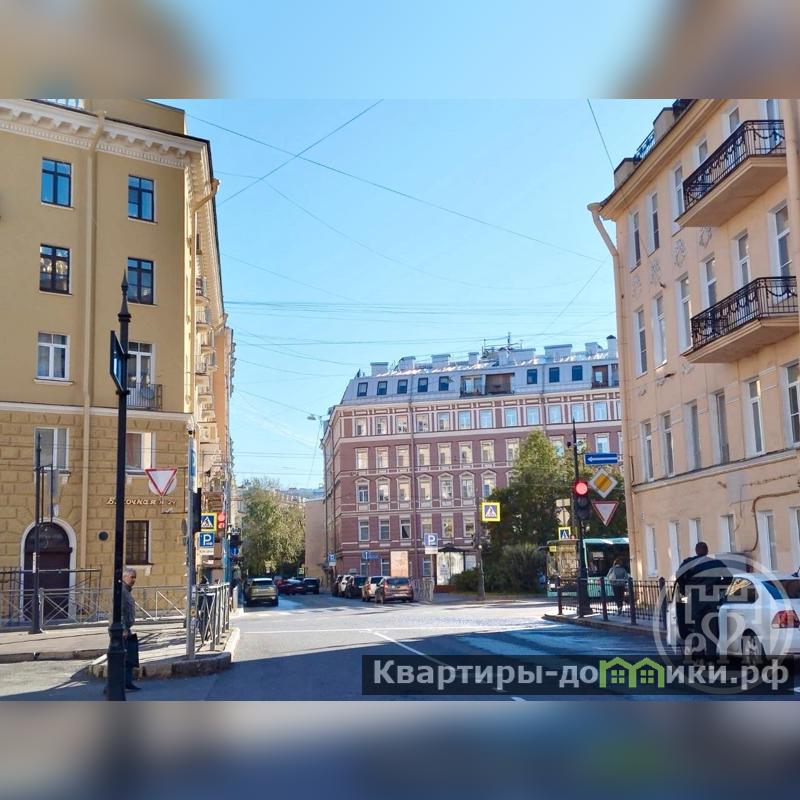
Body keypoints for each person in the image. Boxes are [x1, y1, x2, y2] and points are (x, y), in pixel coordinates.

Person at [675, 541, 731, 660]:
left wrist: (685, 587)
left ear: (696, 551)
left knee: (697, 629)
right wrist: (718, 586)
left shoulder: (689, 563)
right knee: (711, 630)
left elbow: (678, 575)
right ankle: (711, 658)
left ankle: (699, 658)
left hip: (696, 600)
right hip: (711, 599)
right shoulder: (715, 563)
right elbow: (729, 577)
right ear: (707, 551)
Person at [121, 567, 140, 692]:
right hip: (121, 630)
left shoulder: (127, 591)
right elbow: (118, 611)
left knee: (129, 658)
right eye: (131, 577)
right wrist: (123, 628)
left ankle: (127, 682)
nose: (133, 580)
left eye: (135, 578)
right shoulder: (121, 592)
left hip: (127, 629)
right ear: (124, 577)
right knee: (121, 658)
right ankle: (112, 685)